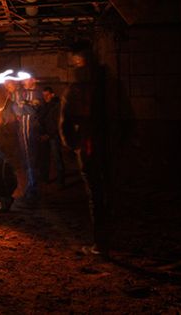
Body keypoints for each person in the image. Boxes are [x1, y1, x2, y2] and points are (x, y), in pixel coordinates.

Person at [60, 41, 109, 254]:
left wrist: (73, 145)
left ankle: (101, 243)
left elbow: (66, 122)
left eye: (76, 64)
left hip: (89, 145)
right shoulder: (107, 86)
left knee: (96, 193)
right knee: (107, 189)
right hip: (107, 145)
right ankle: (108, 238)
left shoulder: (77, 90)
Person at [13, 76, 41, 203]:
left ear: (33, 80)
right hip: (23, 132)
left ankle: (33, 191)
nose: (23, 81)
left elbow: (34, 111)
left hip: (32, 132)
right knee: (27, 161)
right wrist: (24, 106)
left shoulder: (38, 94)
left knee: (32, 161)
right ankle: (29, 188)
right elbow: (17, 110)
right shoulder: (22, 94)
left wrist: (24, 106)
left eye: (26, 79)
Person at [39, 87, 64, 186]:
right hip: (45, 135)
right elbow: (41, 119)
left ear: (52, 94)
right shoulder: (44, 105)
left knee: (57, 158)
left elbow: (58, 122)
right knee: (45, 158)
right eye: (44, 95)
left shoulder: (57, 106)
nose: (45, 97)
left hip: (53, 136)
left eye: (47, 95)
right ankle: (44, 178)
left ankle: (61, 181)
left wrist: (50, 134)